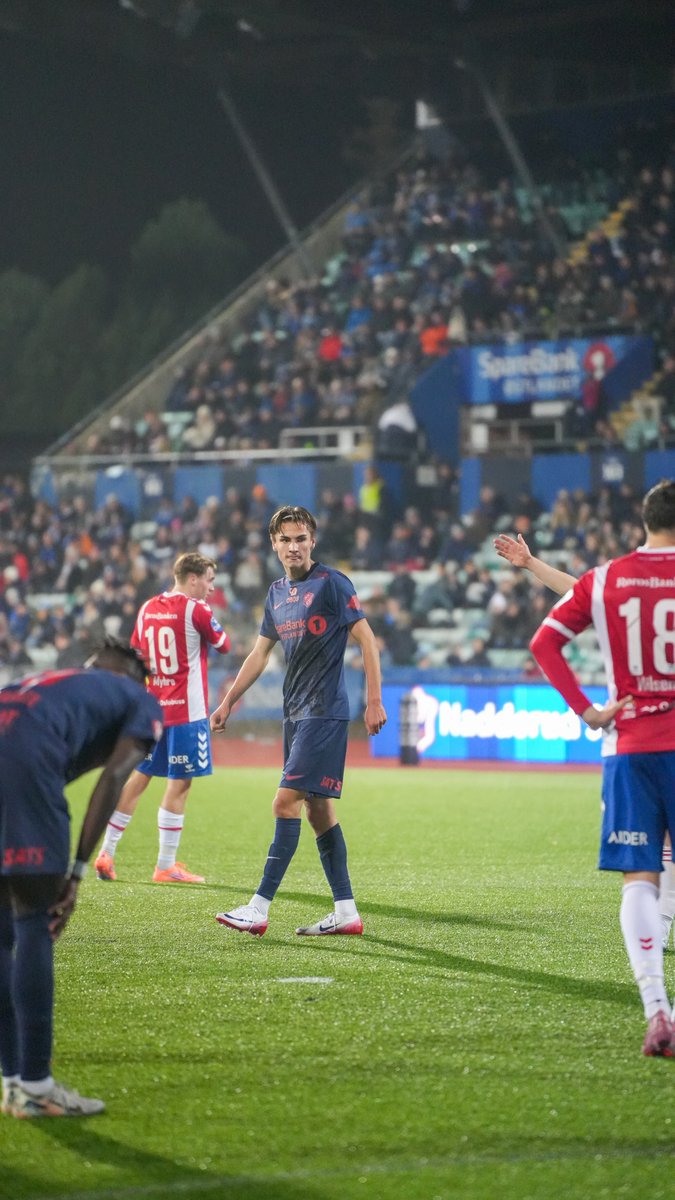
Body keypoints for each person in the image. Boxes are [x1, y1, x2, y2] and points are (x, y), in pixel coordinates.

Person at [527, 480, 675, 1056]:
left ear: (644, 522)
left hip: (630, 745)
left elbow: (544, 644)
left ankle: (657, 1009)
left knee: (639, 876)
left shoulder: (607, 579)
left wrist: (588, 711)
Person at [0, 638, 163, 1118]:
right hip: (29, 757)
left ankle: (12, 1081)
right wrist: (74, 871)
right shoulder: (138, 697)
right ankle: (36, 1086)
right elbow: (113, 778)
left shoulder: (49, 682)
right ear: (134, 675)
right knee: (35, 918)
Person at [210, 505, 387, 937]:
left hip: (324, 711)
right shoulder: (276, 594)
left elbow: (367, 640)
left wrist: (374, 701)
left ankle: (258, 907)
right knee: (318, 810)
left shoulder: (333, 583)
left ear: (313, 541)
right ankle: (346, 912)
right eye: (285, 539)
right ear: (274, 544)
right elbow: (259, 653)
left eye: (300, 538)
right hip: (295, 712)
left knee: (284, 802)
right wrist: (229, 700)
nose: (294, 546)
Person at [494, 528, 675, 951]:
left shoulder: (626, 582)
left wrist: (531, 564)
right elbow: (581, 590)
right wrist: (531, 564)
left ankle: (659, 927)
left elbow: (581, 596)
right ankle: (662, 920)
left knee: (652, 838)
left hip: (639, 732)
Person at [94, 552, 229, 884]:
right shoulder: (196, 609)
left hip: (152, 711)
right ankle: (165, 866)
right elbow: (224, 645)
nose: (211, 588)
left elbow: (137, 654)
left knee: (138, 779)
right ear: (193, 579)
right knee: (179, 784)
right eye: (209, 580)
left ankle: (106, 852)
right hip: (187, 714)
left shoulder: (147, 608)